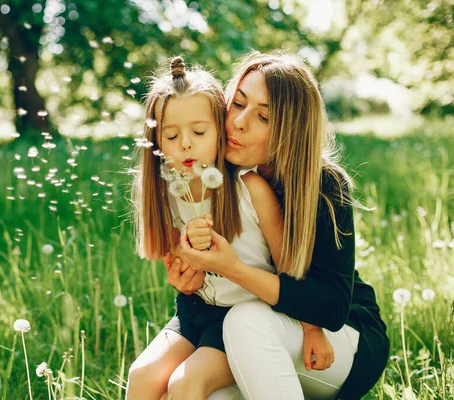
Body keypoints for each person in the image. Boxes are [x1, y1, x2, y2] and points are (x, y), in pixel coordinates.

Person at [168, 51, 390, 400]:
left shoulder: (323, 185)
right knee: (192, 391)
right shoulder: (213, 173)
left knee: (245, 321)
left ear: (292, 129)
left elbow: (331, 307)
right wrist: (187, 282)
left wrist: (232, 269)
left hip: (341, 340)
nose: (239, 122)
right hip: (251, 334)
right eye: (237, 103)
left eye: (264, 117)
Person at [126, 56, 332, 400]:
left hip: (247, 320)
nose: (186, 144)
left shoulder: (250, 190)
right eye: (172, 135)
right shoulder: (164, 193)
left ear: (220, 129)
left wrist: (312, 330)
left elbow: (291, 268)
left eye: (199, 131)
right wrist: (184, 276)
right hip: (198, 314)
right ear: (156, 142)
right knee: (143, 375)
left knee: (185, 384)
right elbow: (182, 270)